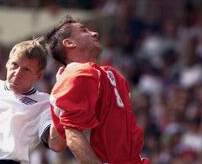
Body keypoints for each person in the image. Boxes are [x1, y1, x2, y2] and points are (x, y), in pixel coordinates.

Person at [45, 15, 148, 164]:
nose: (95, 33)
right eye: (84, 30)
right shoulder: (79, 72)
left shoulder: (113, 75)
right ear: (69, 42)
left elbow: (56, 143)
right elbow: (71, 136)